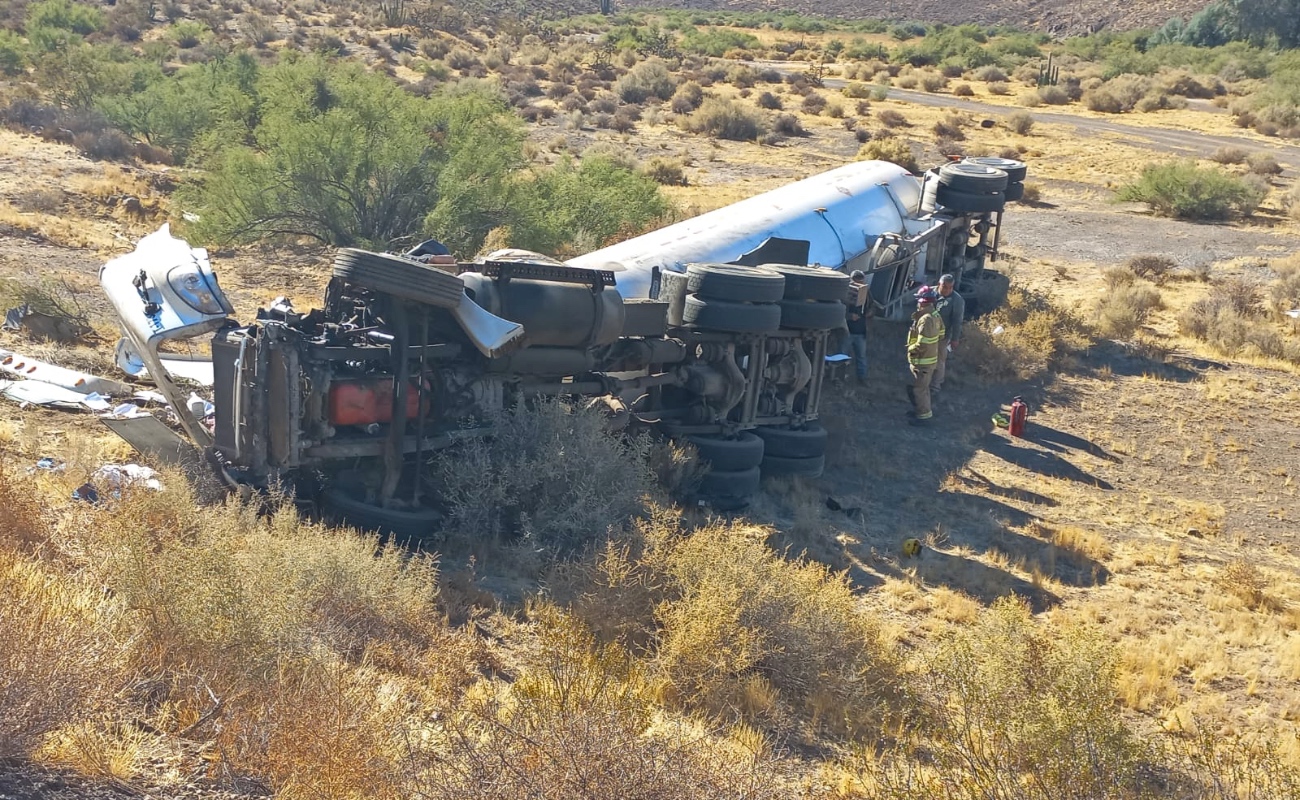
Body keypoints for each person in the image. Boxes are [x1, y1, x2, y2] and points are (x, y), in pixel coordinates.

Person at [906, 285, 945, 426]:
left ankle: (923, 418)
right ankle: (922, 412)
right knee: (923, 388)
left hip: (922, 361)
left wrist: (911, 349)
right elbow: (941, 334)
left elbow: (923, 343)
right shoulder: (935, 315)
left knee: (919, 390)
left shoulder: (926, 319)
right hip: (929, 360)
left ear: (922, 301)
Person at [933, 273, 965, 396]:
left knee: (940, 360)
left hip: (942, 336)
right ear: (939, 285)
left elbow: (957, 321)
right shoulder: (930, 293)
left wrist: (955, 339)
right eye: (945, 287)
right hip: (926, 334)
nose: (947, 290)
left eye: (951, 287)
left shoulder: (957, 300)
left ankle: (936, 385)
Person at [845, 270, 870, 383]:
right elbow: (839, 310)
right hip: (846, 331)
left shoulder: (867, 293)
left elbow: (873, 307)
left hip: (860, 332)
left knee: (862, 358)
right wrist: (849, 316)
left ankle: (862, 379)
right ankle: (839, 378)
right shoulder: (845, 292)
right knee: (842, 356)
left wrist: (869, 314)